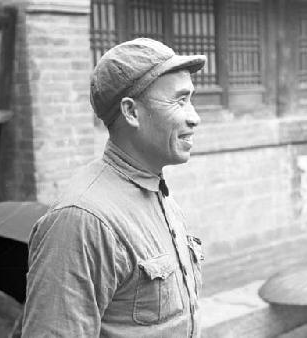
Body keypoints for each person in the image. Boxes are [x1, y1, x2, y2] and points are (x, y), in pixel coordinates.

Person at [20, 38, 206, 337]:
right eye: (179, 101)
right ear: (131, 112)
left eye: (191, 100)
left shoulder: (154, 189)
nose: (194, 117)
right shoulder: (83, 219)